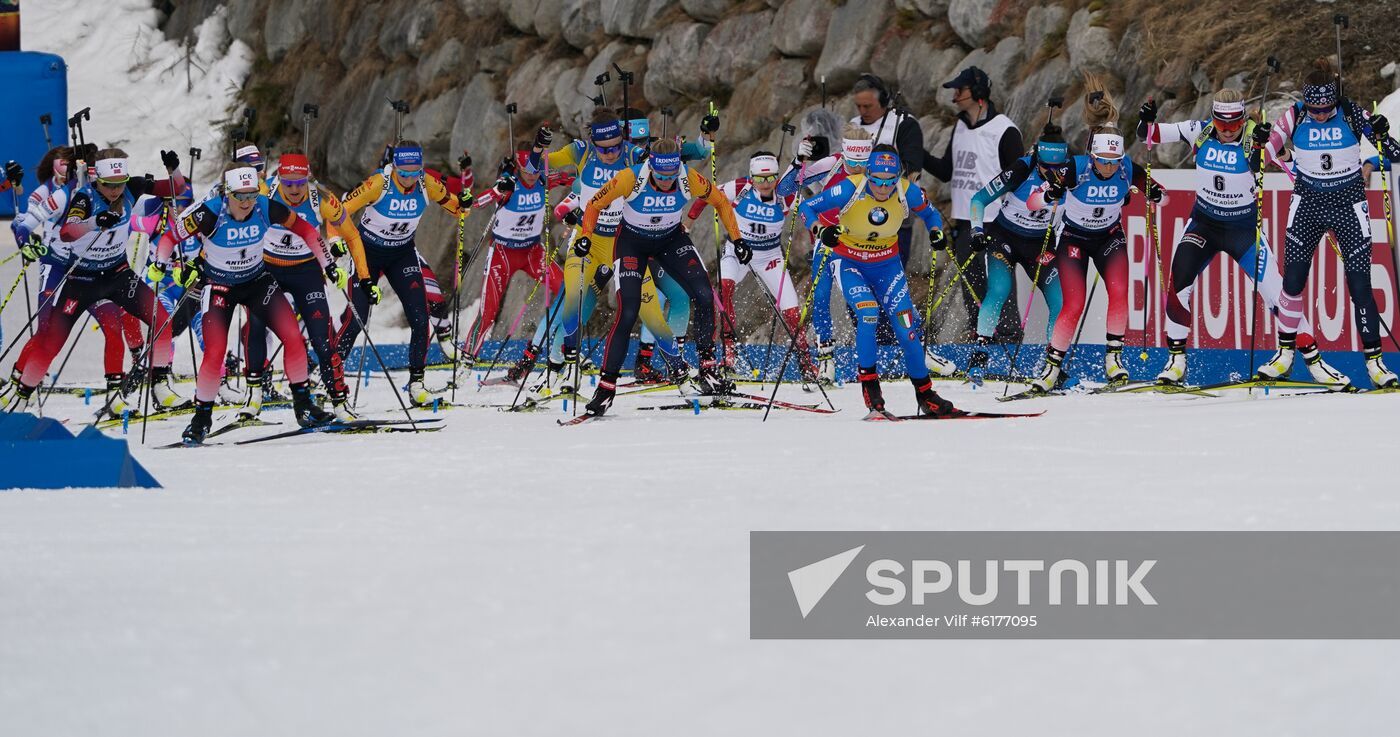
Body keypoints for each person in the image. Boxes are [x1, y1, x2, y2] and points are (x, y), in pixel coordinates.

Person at [1138, 88, 1347, 387]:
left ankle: (1315, 362)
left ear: (1242, 118)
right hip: (1203, 225)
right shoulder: (1199, 130)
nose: (1226, 131)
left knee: (1278, 293)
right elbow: (1149, 135)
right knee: (1179, 281)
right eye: (1221, 125)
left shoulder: (1256, 137)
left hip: (1243, 231)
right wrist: (1146, 120)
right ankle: (1176, 361)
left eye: (1234, 125)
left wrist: (1270, 149)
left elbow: (1298, 166)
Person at [150, 164, 346, 443]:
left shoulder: (265, 207)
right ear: (227, 193)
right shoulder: (209, 213)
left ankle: (304, 406)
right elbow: (170, 238)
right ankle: (201, 418)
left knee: (292, 337)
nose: (246, 203)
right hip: (219, 286)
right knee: (215, 352)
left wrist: (328, 265)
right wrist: (159, 264)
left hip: (256, 282)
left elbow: (307, 230)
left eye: (251, 195)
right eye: (240, 196)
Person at [514, 110, 692, 392]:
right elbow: (534, 171)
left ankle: (682, 375)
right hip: (587, 243)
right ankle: (560, 366)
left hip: (624, 246)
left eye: (616, 147)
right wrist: (537, 148)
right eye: (604, 149)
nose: (611, 154)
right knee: (575, 300)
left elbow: (666, 170)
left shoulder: (633, 155)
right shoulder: (580, 151)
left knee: (652, 314)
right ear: (594, 143)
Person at [576, 138, 745, 416]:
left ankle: (708, 370)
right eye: (661, 176)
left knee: (704, 295)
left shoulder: (689, 178)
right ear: (651, 167)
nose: (667, 182)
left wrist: (738, 240)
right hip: (632, 243)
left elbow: (721, 202)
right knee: (628, 311)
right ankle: (606, 389)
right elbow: (594, 205)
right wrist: (585, 237)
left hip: (670, 240)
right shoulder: (629, 178)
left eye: (671, 176)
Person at [5, 149, 178, 413]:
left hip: (118, 274)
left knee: (160, 319)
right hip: (80, 277)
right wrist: (94, 222)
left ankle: (157, 386)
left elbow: (175, 187)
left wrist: (173, 170)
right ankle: (21, 394)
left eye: (119, 184)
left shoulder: (130, 187)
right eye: (109, 185)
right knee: (50, 338)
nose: (115, 191)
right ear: (97, 178)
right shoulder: (82, 197)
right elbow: (67, 232)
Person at [1261, 59, 1398, 388]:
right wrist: (1258, 144)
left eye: (1326, 109)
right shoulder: (1293, 115)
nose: (1320, 115)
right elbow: (1263, 155)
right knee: (1292, 282)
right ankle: (1284, 355)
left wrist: (1382, 133)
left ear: (1335, 102)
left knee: (1360, 286)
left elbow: (1394, 153)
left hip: (1348, 206)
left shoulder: (1352, 113)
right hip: (1307, 204)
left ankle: (1376, 364)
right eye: (1315, 110)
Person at [797, 145, 955, 418]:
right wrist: (821, 230)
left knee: (906, 327)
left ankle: (925, 394)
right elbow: (807, 206)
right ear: (868, 173)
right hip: (849, 263)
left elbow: (930, 214)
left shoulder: (908, 191)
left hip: (887, 266)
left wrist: (936, 232)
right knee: (868, 314)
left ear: (898, 177)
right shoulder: (850, 188)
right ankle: (871, 391)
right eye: (877, 180)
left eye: (889, 181)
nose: (883, 187)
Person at [1028, 86, 1160, 392]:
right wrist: (1050, 193)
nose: (1110, 168)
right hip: (1074, 239)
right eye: (1104, 161)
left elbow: (1158, 194)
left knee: (1119, 292)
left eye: (1114, 162)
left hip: (1109, 238)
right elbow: (1034, 202)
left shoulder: (1125, 167)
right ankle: (1051, 369)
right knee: (1072, 305)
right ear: (1093, 156)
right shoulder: (1075, 168)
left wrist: (1156, 193)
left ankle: (1114, 361)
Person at [335, 140, 465, 405]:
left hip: (401, 254)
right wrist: (338, 239)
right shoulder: (377, 185)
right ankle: (328, 377)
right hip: (367, 253)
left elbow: (456, 207)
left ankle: (417, 384)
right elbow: (340, 210)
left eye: (414, 171)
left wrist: (463, 202)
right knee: (357, 317)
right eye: (403, 172)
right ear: (393, 167)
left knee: (420, 318)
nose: (408, 178)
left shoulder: (426, 183)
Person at [242, 149, 368, 420]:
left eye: (300, 183)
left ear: (308, 180)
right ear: (280, 179)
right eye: (289, 184)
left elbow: (353, 236)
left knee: (322, 337)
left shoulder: (321, 199)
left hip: (306, 270)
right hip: (269, 268)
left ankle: (339, 401)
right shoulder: (264, 192)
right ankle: (253, 396)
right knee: (256, 324)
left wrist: (363, 275)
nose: (295, 190)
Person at [687, 150, 819, 381]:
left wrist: (814, 245)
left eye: (770, 179)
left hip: (769, 257)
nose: (765, 184)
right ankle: (729, 356)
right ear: (751, 176)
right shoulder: (741, 187)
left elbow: (809, 214)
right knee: (725, 289)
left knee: (791, 310)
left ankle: (806, 363)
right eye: (759, 178)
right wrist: (687, 224)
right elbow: (706, 195)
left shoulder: (786, 195)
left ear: (777, 177)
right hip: (738, 251)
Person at [923, 66, 1025, 342]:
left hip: (995, 220)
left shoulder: (1004, 130)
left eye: (960, 90)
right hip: (965, 221)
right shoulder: (960, 126)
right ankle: (980, 333)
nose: (955, 96)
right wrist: (916, 153)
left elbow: (1019, 177)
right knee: (972, 284)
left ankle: (1008, 336)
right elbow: (946, 171)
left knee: (1000, 285)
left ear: (978, 92)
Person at [966, 126, 1067, 375]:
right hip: (1005, 238)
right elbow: (978, 199)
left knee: (1059, 302)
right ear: (1037, 160)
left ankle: (1053, 364)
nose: (1052, 174)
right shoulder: (1021, 170)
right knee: (1000, 290)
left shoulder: (1072, 174)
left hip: (1040, 244)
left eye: (1058, 168)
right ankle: (980, 354)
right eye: (1046, 168)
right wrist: (977, 231)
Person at [461, 147, 569, 361]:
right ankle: (467, 358)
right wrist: (497, 190)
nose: (532, 175)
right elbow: (476, 203)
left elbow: (571, 177)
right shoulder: (508, 185)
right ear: (518, 167)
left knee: (569, 290)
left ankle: (559, 350)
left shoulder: (542, 181)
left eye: (536, 170)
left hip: (532, 253)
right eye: (526, 171)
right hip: (503, 254)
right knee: (488, 313)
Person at [850, 73, 925, 267]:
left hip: (895, 206)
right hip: (858, 206)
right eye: (858, 106)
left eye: (867, 106)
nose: (862, 111)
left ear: (883, 100)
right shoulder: (854, 125)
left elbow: (913, 166)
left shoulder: (903, 123)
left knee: (891, 268)